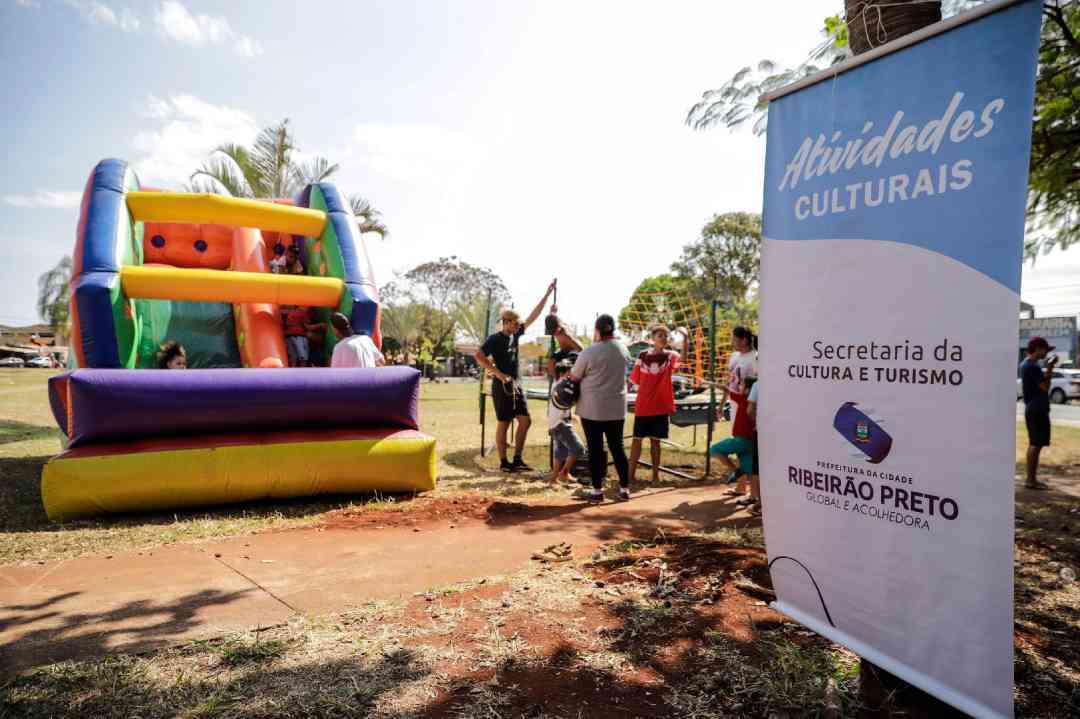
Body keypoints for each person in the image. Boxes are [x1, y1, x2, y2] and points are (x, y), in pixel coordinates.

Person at [474, 280, 557, 473]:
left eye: (518, 324)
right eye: (514, 323)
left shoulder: (516, 335)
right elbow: (478, 356)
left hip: (517, 384)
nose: (517, 326)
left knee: (525, 421)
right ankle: (504, 463)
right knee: (504, 422)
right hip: (502, 385)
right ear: (506, 322)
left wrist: (546, 296)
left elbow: (533, 316)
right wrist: (499, 374)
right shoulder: (494, 339)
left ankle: (517, 459)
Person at [571, 314, 631, 503]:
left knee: (595, 450)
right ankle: (624, 489)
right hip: (616, 407)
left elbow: (574, 377)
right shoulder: (623, 349)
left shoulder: (588, 352)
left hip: (592, 408)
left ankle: (597, 491)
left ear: (597, 330)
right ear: (612, 329)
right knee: (618, 448)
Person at [628, 324, 680, 484]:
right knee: (636, 441)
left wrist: (684, 340)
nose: (664, 338)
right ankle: (629, 476)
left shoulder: (671, 356)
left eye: (666, 336)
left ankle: (655, 476)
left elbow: (677, 365)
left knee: (655, 442)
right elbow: (634, 379)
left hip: (660, 406)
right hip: (643, 405)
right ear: (652, 339)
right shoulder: (642, 356)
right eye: (660, 336)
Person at [711, 372, 758, 501]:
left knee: (714, 449)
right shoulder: (757, 401)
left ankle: (736, 471)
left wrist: (712, 384)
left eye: (742, 385)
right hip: (751, 441)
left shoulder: (744, 398)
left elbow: (727, 389)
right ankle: (750, 494)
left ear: (749, 389)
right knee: (751, 471)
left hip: (741, 439)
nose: (740, 387)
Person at [1020, 337, 1055, 490]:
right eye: (1045, 349)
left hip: (1033, 408)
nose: (1046, 353)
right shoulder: (1032, 367)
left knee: (1036, 443)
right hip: (1037, 409)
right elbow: (1045, 387)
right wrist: (1050, 368)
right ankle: (1031, 480)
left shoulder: (1026, 364)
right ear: (1038, 348)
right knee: (1036, 444)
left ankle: (1031, 478)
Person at [546, 361, 586, 483]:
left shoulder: (557, 385)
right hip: (560, 424)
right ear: (563, 373)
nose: (572, 374)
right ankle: (564, 472)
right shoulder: (562, 386)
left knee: (561, 452)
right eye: (570, 372)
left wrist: (571, 415)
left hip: (554, 423)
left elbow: (561, 405)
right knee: (578, 448)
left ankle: (553, 478)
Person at [720, 326, 757, 424]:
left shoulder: (755, 358)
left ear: (744, 340)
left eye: (734, 339)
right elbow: (729, 382)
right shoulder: (734, 356)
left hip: (746, 405)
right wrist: (721, 405)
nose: (731, 342)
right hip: (734, 403)